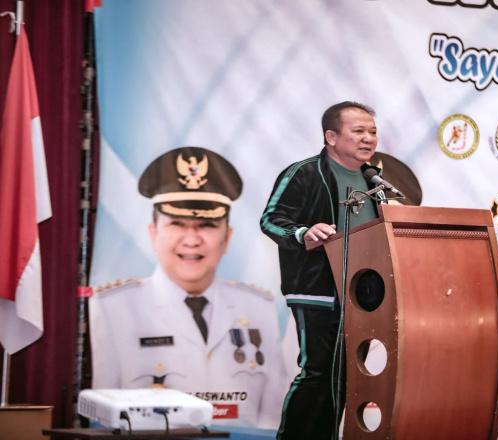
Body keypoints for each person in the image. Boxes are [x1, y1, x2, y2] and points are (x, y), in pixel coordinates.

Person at [89, 146, 287, 428]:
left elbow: (273, 416)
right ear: (153, 233)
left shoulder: (258, 307)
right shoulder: (114, 308)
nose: (192, 240)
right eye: (177, 224)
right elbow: (103, 417)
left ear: (227, 237)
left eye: (207, 225)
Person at [260, 101, 383, 440]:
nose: (368, 138)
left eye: (372, 131)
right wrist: (303, 234)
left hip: (364, 295)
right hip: (317, 290)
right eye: (359, 131)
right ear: (331, 136)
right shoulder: (305, 173)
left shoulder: (374, 180)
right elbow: (271, 220)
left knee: (348, 376)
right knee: (320, 373)